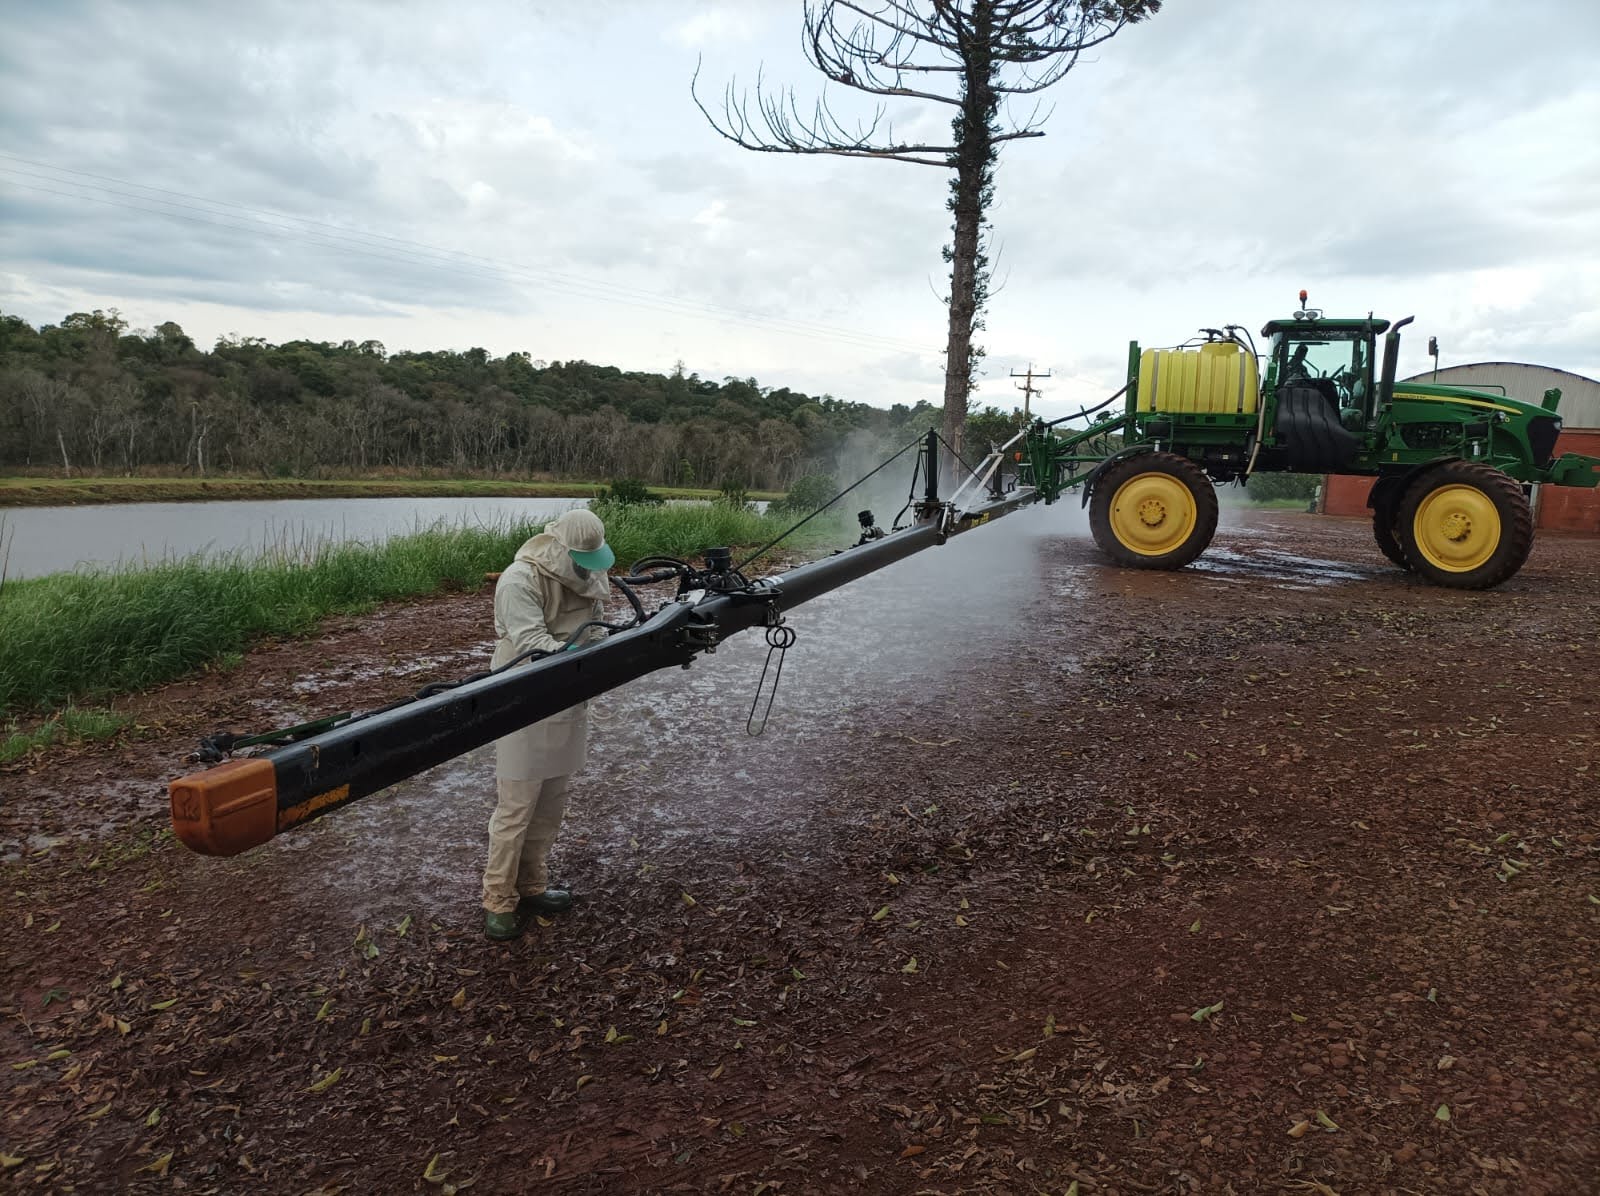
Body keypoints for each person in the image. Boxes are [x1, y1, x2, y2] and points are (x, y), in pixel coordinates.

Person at [482, 508, 615, 941]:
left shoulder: (594, 575)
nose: (586, 567)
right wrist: (585, 657)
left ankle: (533, 885)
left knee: (551, 802)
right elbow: (532, 645)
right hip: (523, 695)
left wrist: (607, 652)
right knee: (517, 805)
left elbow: (598, 632)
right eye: (579, 558)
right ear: (560, 549)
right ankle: (498, 899)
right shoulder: (520, 579)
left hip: (569, 697)